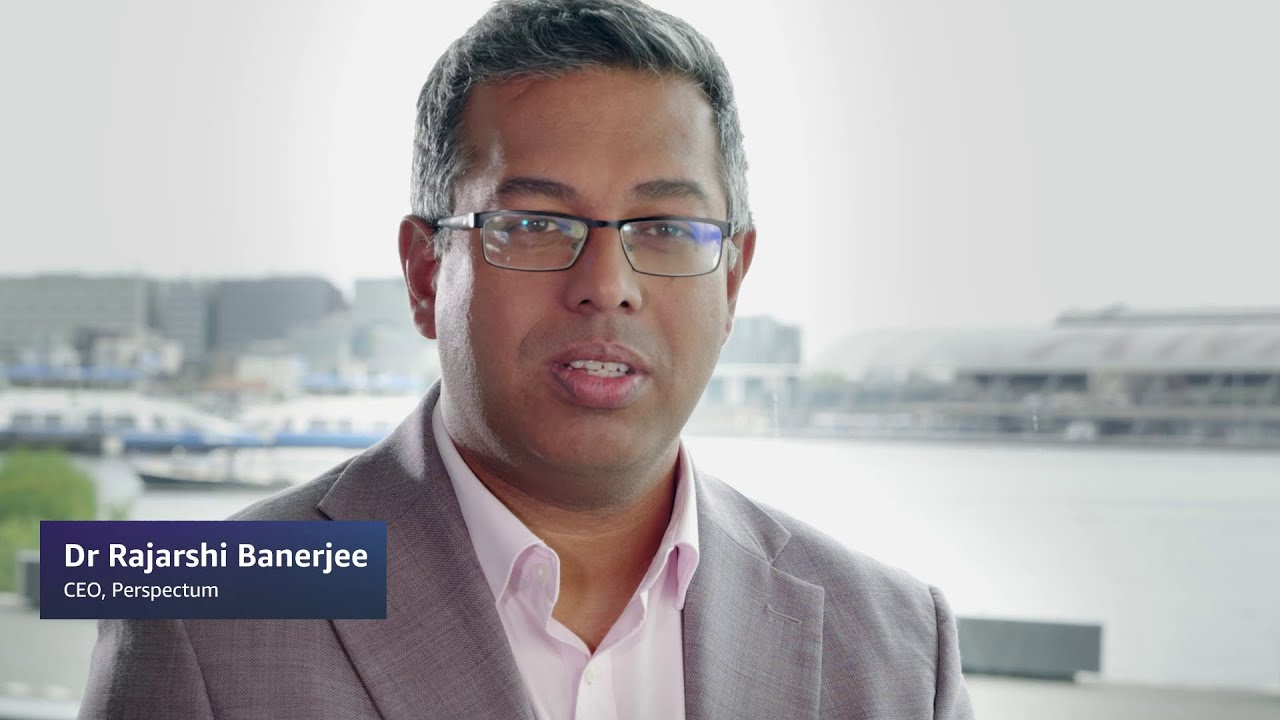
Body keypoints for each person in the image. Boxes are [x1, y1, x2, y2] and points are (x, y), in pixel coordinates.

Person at [80, 1, 975, 717]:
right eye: (537, 223)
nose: (607, 286)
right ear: (427, 273)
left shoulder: (895, 646)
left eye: (664, 228)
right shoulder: (204, 609)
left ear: (733, 279)